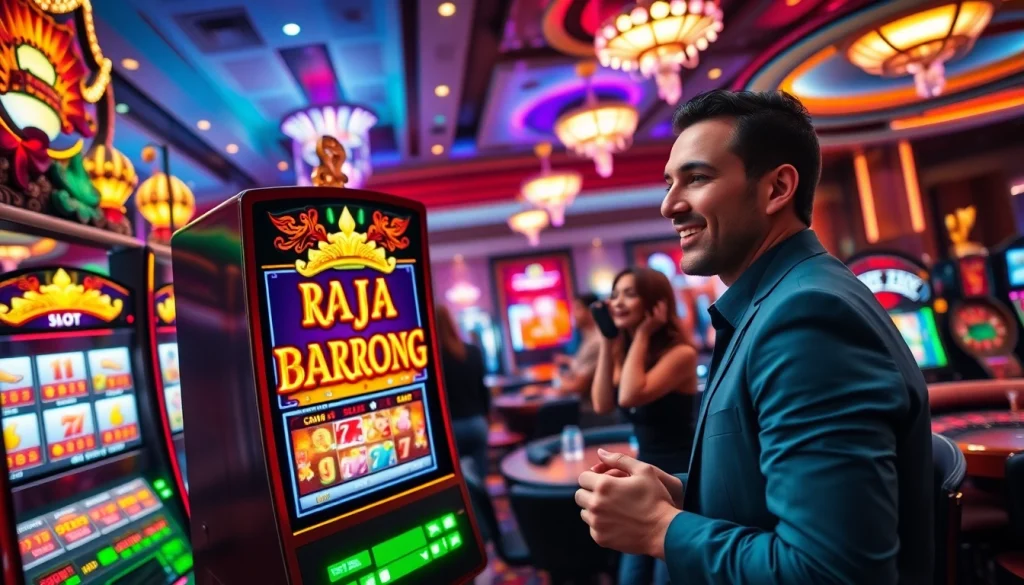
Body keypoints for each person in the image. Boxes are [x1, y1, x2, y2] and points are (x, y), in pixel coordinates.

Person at [575, 89, 933, 585]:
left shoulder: (808, 316)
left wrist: (660, 527)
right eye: (669, 183)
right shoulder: (779, 301)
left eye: (697, 178)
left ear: (777, 189)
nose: (669, 205)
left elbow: (834, 572)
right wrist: (682, 494)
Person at [589, 267, 699, 585]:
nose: (617, 303)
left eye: (629, 294)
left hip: (675, 481)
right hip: (640, 478)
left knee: (667, 578)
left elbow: (630, 393)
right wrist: (607, 341)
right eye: (615, 294)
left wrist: (642, 334)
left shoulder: (682, 354)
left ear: (655, 304)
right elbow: (602, 403)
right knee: (632, 577)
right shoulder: (628, 355)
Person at [435, 304, 491, 478]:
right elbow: (483, 390)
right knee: (480, 483)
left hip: (450, 429)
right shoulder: (472, 351)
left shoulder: (434, 359)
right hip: (477, 423)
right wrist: (486, 418)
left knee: (460, 484)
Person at [553, 292, 602, 398]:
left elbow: (578, 386)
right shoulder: (589, 339)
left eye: (577, 309)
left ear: (591, 312)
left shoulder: (595, 342)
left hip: (588, 408)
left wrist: (556, 379)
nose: (573, 314)